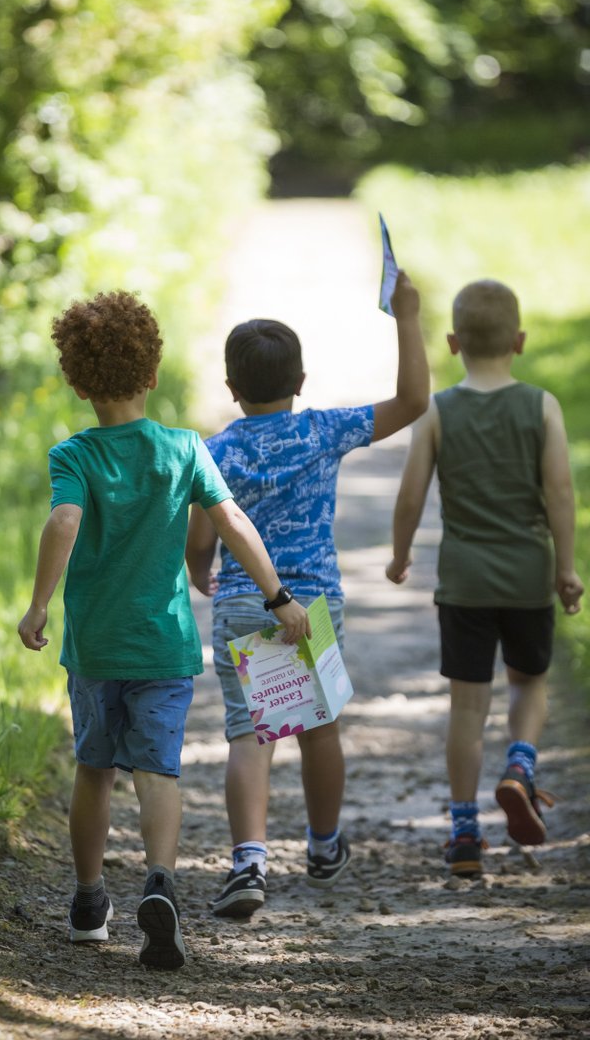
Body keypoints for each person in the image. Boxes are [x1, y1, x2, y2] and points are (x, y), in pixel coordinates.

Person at [17, 289, 310, 969]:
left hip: (94, 646)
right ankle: (160, 883)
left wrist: (38, 605)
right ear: (151, 374)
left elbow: (64, 522)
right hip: (164, 645)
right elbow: (233, 522)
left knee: (94, 770)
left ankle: (90, 900)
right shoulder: (183, 448)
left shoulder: (74, 456)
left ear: (78, 380)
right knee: (157, 771)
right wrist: (278, 597)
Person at [185, 272, 428, 918]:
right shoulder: (324, 430)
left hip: (242, 602)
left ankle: (250, 863)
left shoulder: (216, 450)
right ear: (301, 382)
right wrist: (407, 316)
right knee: (319, 732)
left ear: (232, 391)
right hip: (311, 605)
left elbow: (200, 531)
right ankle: (323, 846)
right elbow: (412, 401)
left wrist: (198, 570)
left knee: (249, 736)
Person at [385, 279, 584, 877]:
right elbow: (560, 492)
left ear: (452, 343)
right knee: (528, 683)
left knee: (467, 709)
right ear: (520, 341)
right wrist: (566, 568)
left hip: (464, 580)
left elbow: (411, 495)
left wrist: (399, 556)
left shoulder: (439, 410)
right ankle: (520, 765)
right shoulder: (541, 405)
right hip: (527, 574)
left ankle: (465, 834)